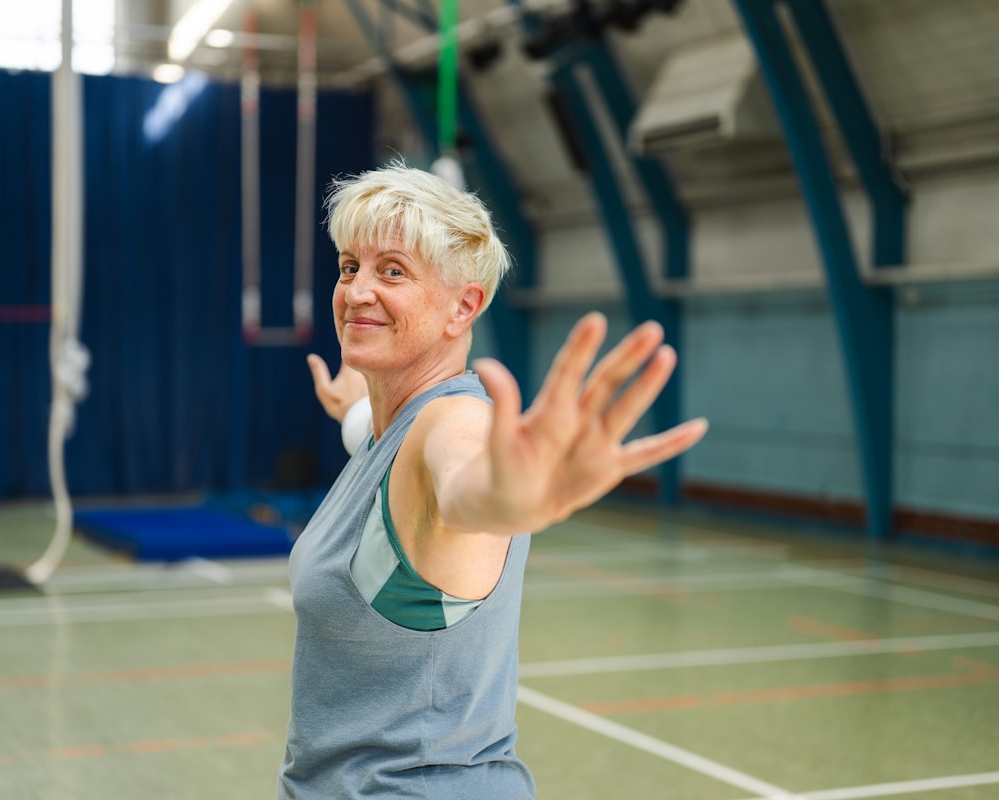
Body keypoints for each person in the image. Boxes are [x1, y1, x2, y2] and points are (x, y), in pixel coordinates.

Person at [279, 163, 708, 799]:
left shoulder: (452, 423)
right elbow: (370, 427)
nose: (358, 290)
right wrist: (355, 403)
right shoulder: (386, 425)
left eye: (392, 270)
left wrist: (511, 499)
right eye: (349, 267)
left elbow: (464, 484)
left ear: (464, 306)